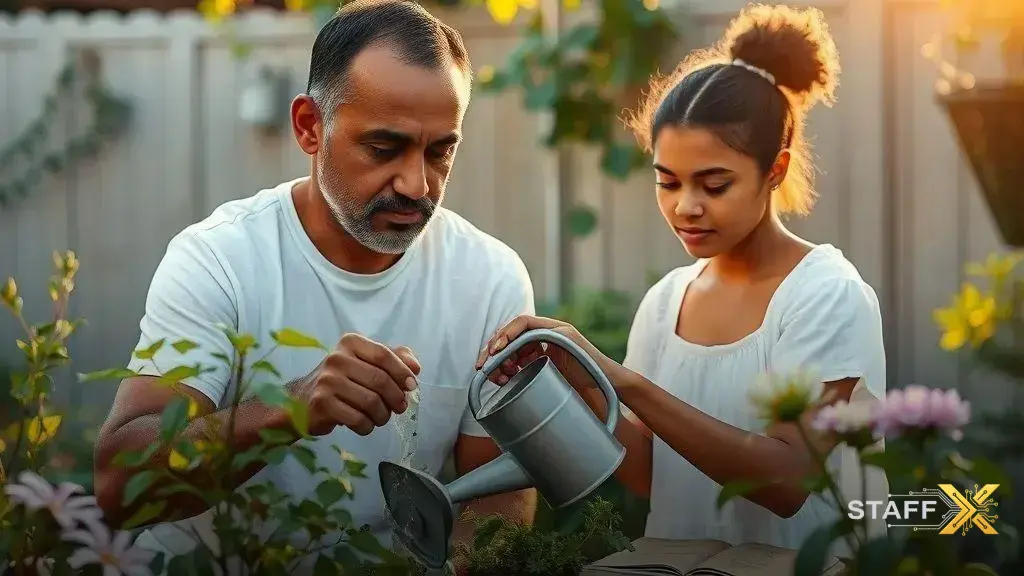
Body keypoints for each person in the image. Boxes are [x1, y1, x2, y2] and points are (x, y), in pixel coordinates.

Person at [93, 0, 537, 564]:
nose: (417, 184)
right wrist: (288, 411)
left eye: (440, 151)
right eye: (384, 147)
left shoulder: (489, 277)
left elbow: (498, 493)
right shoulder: (218, 260)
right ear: (310, 126)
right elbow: (120, 488)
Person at [477, 4, 887, 552]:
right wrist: (574, 374)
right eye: (667, 182)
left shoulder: (826, 294)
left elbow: (788, 482)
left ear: (776, 170)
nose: (685, 207)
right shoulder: (666, 302)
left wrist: (621, 381)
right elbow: (652, 474)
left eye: (714, 185)